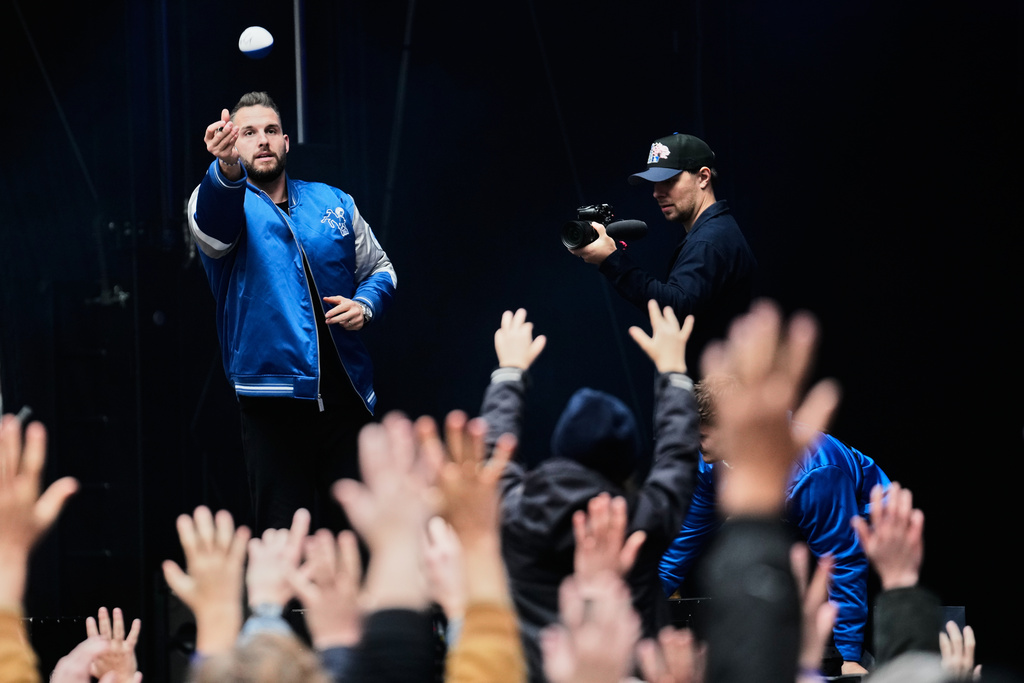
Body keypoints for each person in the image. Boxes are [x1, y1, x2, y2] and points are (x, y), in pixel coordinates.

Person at [187, 91, 397, 534]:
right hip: (271, 406)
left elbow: (380, 267)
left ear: (285, 141)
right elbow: (213, 236)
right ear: (233, 144)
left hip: (347, 401)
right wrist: (223, 171)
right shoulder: (217, 201)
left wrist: (366, 305)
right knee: (284, 545)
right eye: (248, 133)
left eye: (269, 131)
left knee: (361, 539)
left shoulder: (334, 202)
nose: (261, 140)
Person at [480, 303, 701, 682]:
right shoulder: (643, 519)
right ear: (628, 464)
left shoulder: (514, 509)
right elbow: (678, 456)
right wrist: (673, 372)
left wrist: (510, 373)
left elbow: (495, 448)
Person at [659, 373, 891, 676]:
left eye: (701, 436)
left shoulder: (814, 471)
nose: (693, 444)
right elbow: (686, 541)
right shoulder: (709, 464)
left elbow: (844, 560)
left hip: (868, 522)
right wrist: (646, 601)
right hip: (794, 522)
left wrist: (848, 656)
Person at [569, 133, 756, 371]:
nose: (657, 192)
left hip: (717, 396)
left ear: (703, 177)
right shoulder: (711, 232)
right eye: (655, 183)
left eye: (669, 180)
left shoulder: (709, 241)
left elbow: (674, 310)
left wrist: (612, 260)